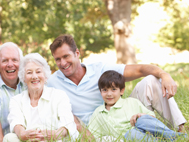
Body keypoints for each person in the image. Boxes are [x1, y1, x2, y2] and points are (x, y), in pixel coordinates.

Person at [47, 34, 186, 133]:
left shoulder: (99, 69)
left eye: (66, 56)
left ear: (77, 53)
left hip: (124, 115)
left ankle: (179, 129)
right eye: (58, 59)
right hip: (97, 129)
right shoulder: (52, 82)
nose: (63, 63)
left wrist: (164, 74)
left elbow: (139, 69)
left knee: (152, 80)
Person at [3, 53, 79, 142]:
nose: (34, 76)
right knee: (8, 139)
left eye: (38, 72)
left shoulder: (59, 95)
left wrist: (55, 134)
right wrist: (23, 135)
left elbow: (67, 124)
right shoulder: (16, 100)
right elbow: (16, 122)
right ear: (24, 78)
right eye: (29, 73)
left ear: (45, 76)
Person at [87, 71, 187, 142]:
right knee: (131, 134)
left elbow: (151, 119)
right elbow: (93, 135)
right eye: (105, 90)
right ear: (100, 92)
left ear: (121, 91)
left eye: (113, 89)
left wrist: (142, 115)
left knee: (142, 120)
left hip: (143, 131)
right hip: (127, 140)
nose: (109, 94)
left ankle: (175, 136)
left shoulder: (132, 102)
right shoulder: (99, 112)